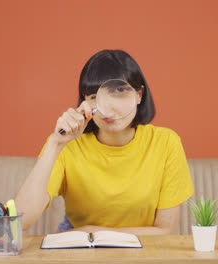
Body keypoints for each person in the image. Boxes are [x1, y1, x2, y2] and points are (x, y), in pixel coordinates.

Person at [15, 49, 193, 235]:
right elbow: (20, 221)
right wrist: (55, 143)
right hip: (80, 248)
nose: (107, 106)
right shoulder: (67, 146)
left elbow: (165, 230)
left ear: (139, 95)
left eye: (119, 91)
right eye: (94, 97)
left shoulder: (166, 143)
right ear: (85, 102)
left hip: (141, 248)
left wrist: (90, 231)